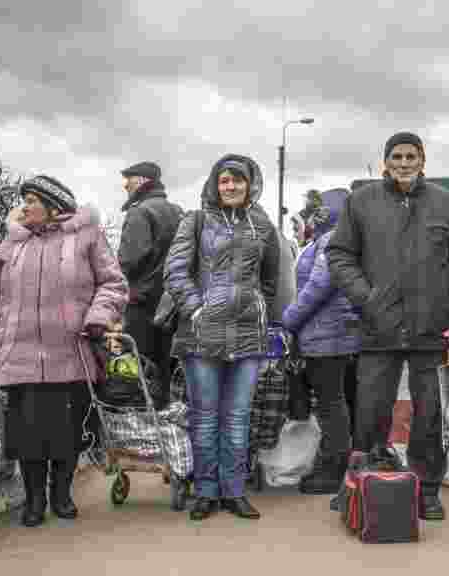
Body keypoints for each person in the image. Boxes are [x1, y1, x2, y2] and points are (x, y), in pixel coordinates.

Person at [327, 131, 449, 521]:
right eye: (397, 156)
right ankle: (362, 485)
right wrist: (367, 298)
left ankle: (426, 490)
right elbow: (339, 255)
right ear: (386, 161)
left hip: (434, 329)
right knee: (371, 411)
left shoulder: (446, 204)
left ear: (422, 160)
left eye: (412, 156)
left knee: (430, 415)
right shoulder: (361, 202)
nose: (405, 163)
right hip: (380, 327)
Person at [0, 175, 128, 527]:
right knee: (28, 437)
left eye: (31, 201)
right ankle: (35, 499)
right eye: (23, 201)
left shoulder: (87, 237)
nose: (24, 208)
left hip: (71, 352)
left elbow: (113, 284)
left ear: (54, 207)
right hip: (18, 355)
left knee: (67, 434)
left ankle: (62, 494)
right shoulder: (9, 245)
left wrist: (98, 317)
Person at [164, 154, 280, 521]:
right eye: (224, 180)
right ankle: (205, 491)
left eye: (237, 180)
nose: (230, 186)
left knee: (238, 417)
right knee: (205, 417)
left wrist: (258, 309)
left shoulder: (263, 224)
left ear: (250, 184)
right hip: (202, 335)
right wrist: (197, 309)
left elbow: (272, 279)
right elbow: (175, 270)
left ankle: (233, 491)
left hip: (247, 335)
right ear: (215, 185)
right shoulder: (195, 220)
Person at [282, 188, 361, 498]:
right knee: (335, 403)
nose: (314, 215)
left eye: (319, 210)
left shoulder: (332, 240)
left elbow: (318, 286)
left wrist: (289, 320)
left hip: (326, 335)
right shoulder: (334, 238)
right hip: (330, 332)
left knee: (331, 404)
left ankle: (332, 471)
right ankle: (336, 465)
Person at [117, 161, 184, 410]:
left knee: (136, 369)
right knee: (165, 368)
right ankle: (163, 418)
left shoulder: (140, 212)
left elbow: (130, 261)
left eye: (129, 179)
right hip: (172, 305)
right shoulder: (178, 212)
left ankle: (139, 421)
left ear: (143, 181)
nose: (125, 185)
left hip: (143, 305)